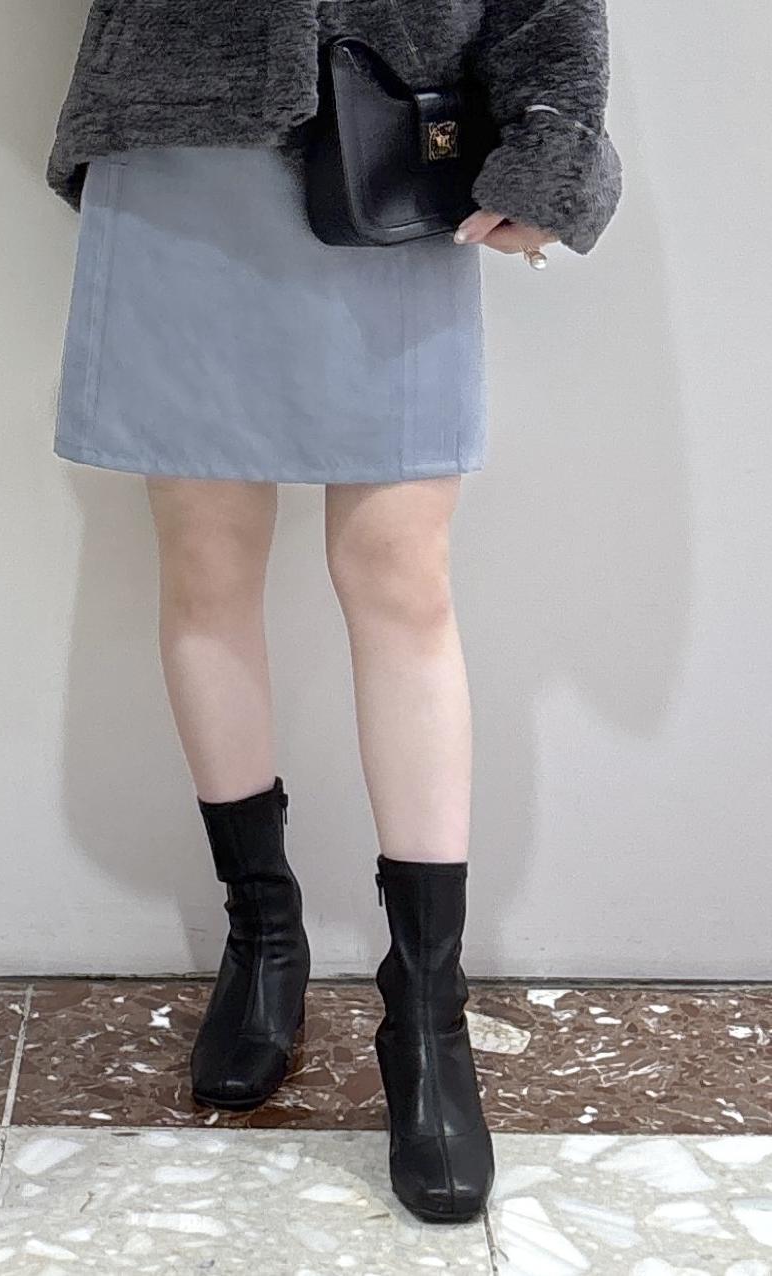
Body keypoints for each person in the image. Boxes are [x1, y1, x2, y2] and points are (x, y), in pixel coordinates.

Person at [45, 0, 622, 1226]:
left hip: (388, 133)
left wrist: (550, 134)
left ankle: (426, 1015)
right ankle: (263, 939)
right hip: (179, 134)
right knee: (204, 561)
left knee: (401, 578)